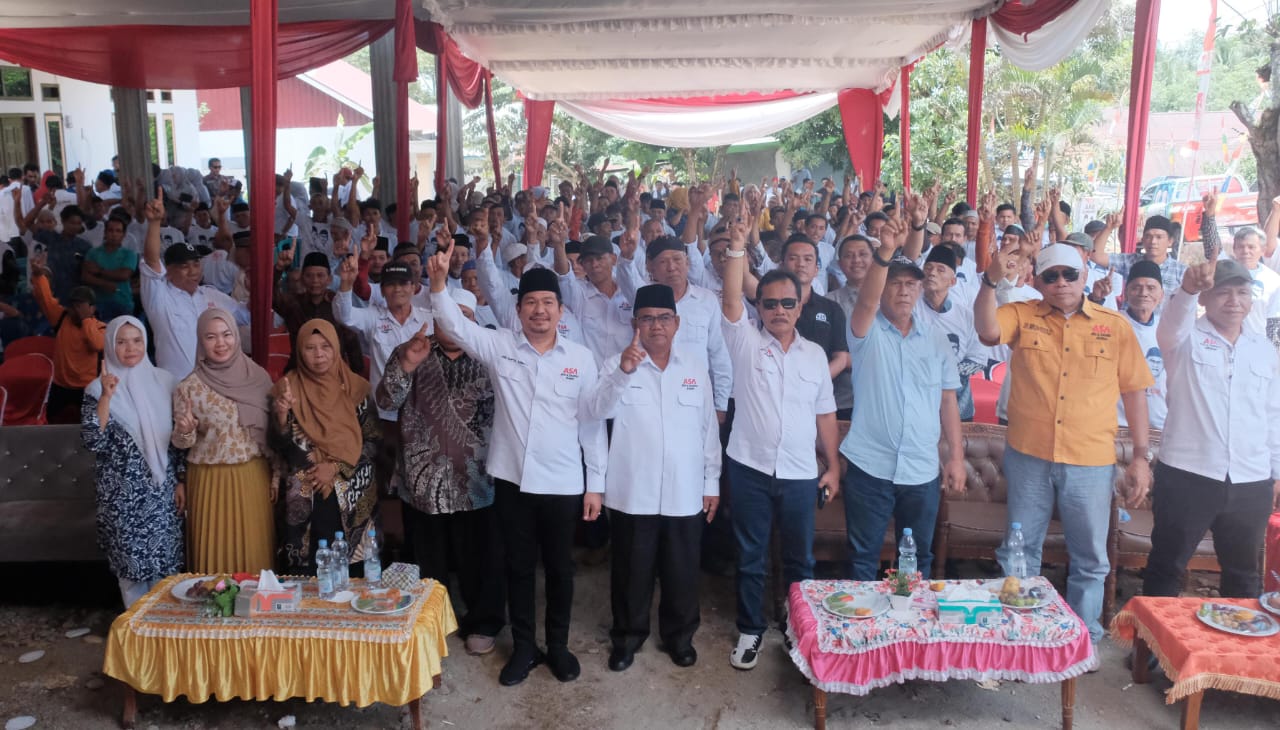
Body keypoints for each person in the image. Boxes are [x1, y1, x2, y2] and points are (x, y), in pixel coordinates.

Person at [426, 238, 608, 687]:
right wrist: (436, 285)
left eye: (548, 302)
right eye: (531, 302)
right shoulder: (501, 347)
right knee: (519, 568)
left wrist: (595, 484)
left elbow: (591, 425)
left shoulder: (581, 359)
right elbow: (456, 325)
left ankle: (558, 646)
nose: (540, 311)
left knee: (561, 570)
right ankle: (525, 648)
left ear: (560, 312)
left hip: (565, 482)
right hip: (512, 481)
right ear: (518, 309)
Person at [975, 243, 1154, 640]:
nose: (1060, 283)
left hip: (1090, 461)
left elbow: (1135, 392)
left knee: (1090, 557)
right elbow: (987, 330)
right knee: (1019, 550)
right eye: (1050, 276)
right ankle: (1020, 631)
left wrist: (1140, 457)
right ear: (1037, 281)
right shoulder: (1021, 315)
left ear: (1084, 276)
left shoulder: (1115, 326)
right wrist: (990, 279)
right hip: (1029, 457)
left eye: (1069, 275)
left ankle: (1082, 636)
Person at [719, 221, 839, 671]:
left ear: (800, 303)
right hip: (748, 468)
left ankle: (799, 629)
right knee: (750, 556)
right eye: (770, 304)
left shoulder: (813, 356)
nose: (779, 311)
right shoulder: (746, 341)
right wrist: (736, 248)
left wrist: (833, 467)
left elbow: (824, 414)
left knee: (799, 558)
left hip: (799, 472)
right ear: (760, 307)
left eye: (788, 302)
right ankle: (750, 629)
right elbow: (731, 300)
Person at [584, 284, 721, 672]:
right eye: (647, 318)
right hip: (632, 491)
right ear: (635, 323)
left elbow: (707, 428)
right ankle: (627, 639)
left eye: (664, 318)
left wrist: (711, 483)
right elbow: (595, 412)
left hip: (685, 490)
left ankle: (680, 638)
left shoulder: (694, 367)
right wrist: (623, 373)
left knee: (681, 571)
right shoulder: (616, 363)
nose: (656, 326)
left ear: (676, 323)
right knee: (631, 571)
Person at [376, 287, 506, 656]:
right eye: (448, 315)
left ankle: (483, 622)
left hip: (478, 480)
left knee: (479, 558)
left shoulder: (491, 355)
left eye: (463, 316)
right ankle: (428, 625)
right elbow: (385, 401)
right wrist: (405, 367)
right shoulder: (412, 351)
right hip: (423, 480)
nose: (454, 324)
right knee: (427, 562)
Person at [1143, 259, 1280, 598]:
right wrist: (1189, 289)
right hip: (1188, 475)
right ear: (1205, 298)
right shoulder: (1184, 339)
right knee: (1166, 567)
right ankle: (1151, 650)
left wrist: (1276, 471)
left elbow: (1273, 414)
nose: (1234, 300)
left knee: (1244, 574)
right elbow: (1170, 326)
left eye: (1242, 292)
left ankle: (1235, 649)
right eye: (1223, 292)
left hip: (1251, 480)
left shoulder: (1264, 349)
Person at [842, 208, 966, 582]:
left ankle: (911, 633)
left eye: (911, 284)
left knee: (916, 561)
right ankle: (864, 636)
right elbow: (865, 302)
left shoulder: (936, 339)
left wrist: (956, 458)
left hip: (921, 468)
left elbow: (948, 401)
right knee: (863, 559)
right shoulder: (865, 331)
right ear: (882, 288)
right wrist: (884, 252)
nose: (904, 291)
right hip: (869, 466)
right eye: (895, 283)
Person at [81, 317, 184, 607]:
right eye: (121, 341)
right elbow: (93, 441)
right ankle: (138, 638)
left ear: (146, 343)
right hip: (123, 495)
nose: (130, 348)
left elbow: (176, 440)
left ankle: (165, 633)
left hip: (161, 491)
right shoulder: (95, 389)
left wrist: (182, 481)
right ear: (110, 346)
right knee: (132, 571)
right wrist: (106, 397)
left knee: (166, 566)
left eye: (137, 340)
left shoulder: (165, 382)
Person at [271, 319, 380, 575]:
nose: (319, 354)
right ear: (299, 351)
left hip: (351, 492)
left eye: (325, 346)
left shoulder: (357, 389)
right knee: (307, 575)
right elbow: (277, 446)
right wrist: (281, 417)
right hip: (305, 495)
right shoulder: (286, 390)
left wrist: (336, 467)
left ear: (336, 348)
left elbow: (373, 442)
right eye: (310, 348)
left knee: (352, 579)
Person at [172, 308, 276, 574]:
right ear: (200, 341)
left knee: (253, 551)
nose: (220, 343)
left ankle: (254, 611)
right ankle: (213, 612)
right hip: (209, 481)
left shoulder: (259, 378)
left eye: (226, 334)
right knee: (214, 553)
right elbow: (183, 443)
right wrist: (184, 431)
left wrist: (277, 475)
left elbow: (274, 434)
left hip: (252, 476)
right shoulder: (189, 387)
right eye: (211, 337)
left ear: (236, 336)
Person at [139, 188, 248, 378]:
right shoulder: (159, 297)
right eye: (184, 266)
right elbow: (151, 260)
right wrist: (155, 223)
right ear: (168, 271)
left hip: (215, 387)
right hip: (177, 387)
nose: (193, 271)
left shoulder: (211, 294)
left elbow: (246, 316)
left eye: (196, 264)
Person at [29, 252, 105, 423]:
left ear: (92, 308)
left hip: (88, 388)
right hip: (61, 386)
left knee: (90, 427)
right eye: (73, 304)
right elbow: (45, 298)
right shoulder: (62, 318)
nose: (75, 309)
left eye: (81, 305)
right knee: (53, 424)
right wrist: (38, 274)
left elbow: (96, 344)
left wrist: (86, 319)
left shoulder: (101, 327)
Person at [1091, 215, 1187, 306]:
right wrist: (1109, 227)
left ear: (1170, 241)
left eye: (1159, 237)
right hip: (1130, 321)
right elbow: (1096, 256)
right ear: (1143, 240)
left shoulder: (1181, 272)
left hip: (1165, 323)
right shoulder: (1130, 261)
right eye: (1148, 236)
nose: (1153, 242)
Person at [1116, 261, 1167, 430]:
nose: (1144, 293)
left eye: (1151, 288)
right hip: (1119, 425)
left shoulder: (1168, 329)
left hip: (1159, 427)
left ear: (1162, 295)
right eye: (1136, 287)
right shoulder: (1113, 324)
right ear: (1126, 293)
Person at [81, 216, 138, 322]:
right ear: (105, 233)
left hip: (123, 303)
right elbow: (85, 276)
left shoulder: (129, 254)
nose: (114, 234)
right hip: (98, 303)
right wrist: (104, 284)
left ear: (124, 235)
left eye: (118, 231)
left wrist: (99, 271)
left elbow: (124, 275)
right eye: (110, 230)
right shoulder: (93, 252)